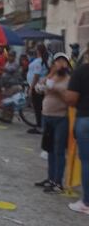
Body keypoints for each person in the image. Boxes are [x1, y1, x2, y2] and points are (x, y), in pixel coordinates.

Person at [33, 53, 71, 194]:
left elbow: (68, 97)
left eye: (63, 61)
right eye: (57, 61)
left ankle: (58, 182)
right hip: (47, 116)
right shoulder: (51, 76)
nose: (60, 64)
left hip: (61, 117)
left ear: (67, 65)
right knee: (49, 149)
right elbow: (38, 88)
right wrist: (49, 76)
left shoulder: (68, 80)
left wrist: (55, 88)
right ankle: (50, 178)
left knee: (58, 150)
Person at [66, 55, 89, 215]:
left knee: (87, 161)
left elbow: (72, 99)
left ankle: (86, 203)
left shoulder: (81, 71)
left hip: (85, 118)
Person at [27, 44, 50, 134]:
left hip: (37, 87)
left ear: (38, 51)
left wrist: (31, 87)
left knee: (38, 107)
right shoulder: (44, 61)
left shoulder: (38, 62)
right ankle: (41, 125)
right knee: (40, 107)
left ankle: (39, 126)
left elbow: (36, 75)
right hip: (40, 87)